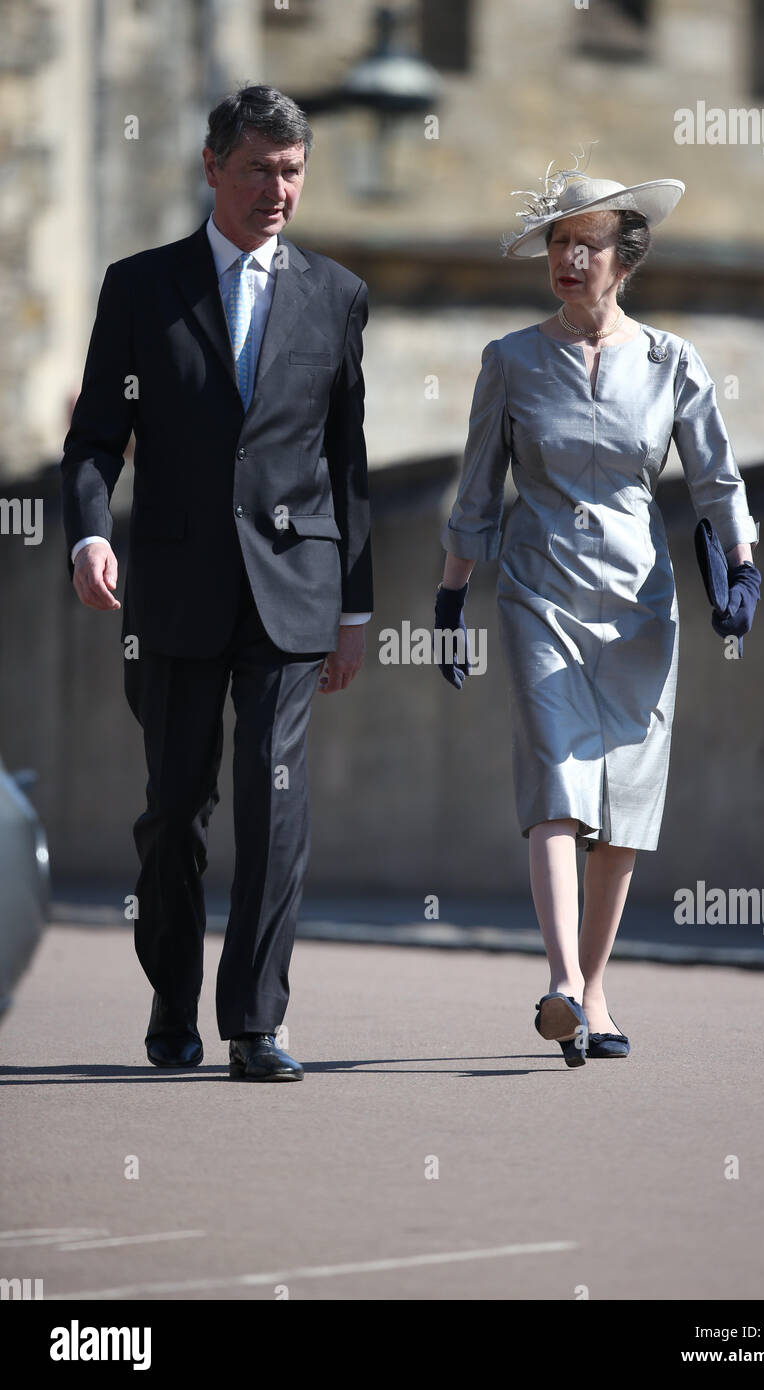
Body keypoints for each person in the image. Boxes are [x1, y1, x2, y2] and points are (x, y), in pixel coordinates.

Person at [60, 85, 373, 1081]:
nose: (276, 190)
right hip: (174, 591)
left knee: (274, 803)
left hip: (293, 587)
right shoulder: (140, 288)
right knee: (171, 812)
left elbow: (348, 460)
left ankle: (254, 1023)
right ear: (211, 168)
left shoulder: (336, 295)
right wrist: (86, 536)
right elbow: (93, 441)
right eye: (257, 170)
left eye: (290, 172)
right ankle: (169, 997)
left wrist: (354, 606)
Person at [435, 160, 761, 1067]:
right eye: (558, 244)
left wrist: (742, 571)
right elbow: (474, 492)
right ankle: (558, 980)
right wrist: (453, 596)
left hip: (641, 607)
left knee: (625, 806)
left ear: (626, 259)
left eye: (588, 245)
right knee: (557, 787)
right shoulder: (509, 360)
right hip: (538, 594)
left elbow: (715, 476)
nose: (569, 260)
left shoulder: (671, 362)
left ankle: (593, 989)